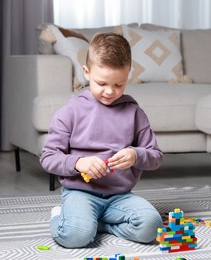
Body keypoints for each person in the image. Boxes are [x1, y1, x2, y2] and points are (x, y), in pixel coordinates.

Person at [40, 32, 163, 248]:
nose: (110, 91)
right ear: (86, 72)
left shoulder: (134, 113)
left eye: (119, 84)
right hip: (81, 193)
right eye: (102, 83)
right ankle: (62, 217)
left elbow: (156, 157)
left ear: (128, 75)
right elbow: (48, 158)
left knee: (151, 226)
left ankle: (97, 224)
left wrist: (136, 155)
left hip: (120, 196)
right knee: (75, 236)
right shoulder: (70, 112)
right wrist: (78, 163)